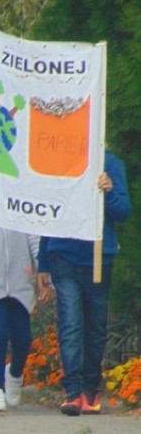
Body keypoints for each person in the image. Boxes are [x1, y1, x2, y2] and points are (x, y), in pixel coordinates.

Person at [37, 152, 132, 416]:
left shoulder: (111, 163)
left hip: (100, 258)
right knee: (70, 322)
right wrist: (43, 261)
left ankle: (91, 389)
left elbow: (123, 210)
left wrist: (110, 190)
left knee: (95, 326)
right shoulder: (60, 162)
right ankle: (72, 390)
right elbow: (50, 212)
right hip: (64, 255)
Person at [0, 228, 49, 412]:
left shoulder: (20, 205)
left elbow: (34, 239)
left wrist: (42, 271)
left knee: (22, 339)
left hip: (20, 284)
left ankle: (15, 373)